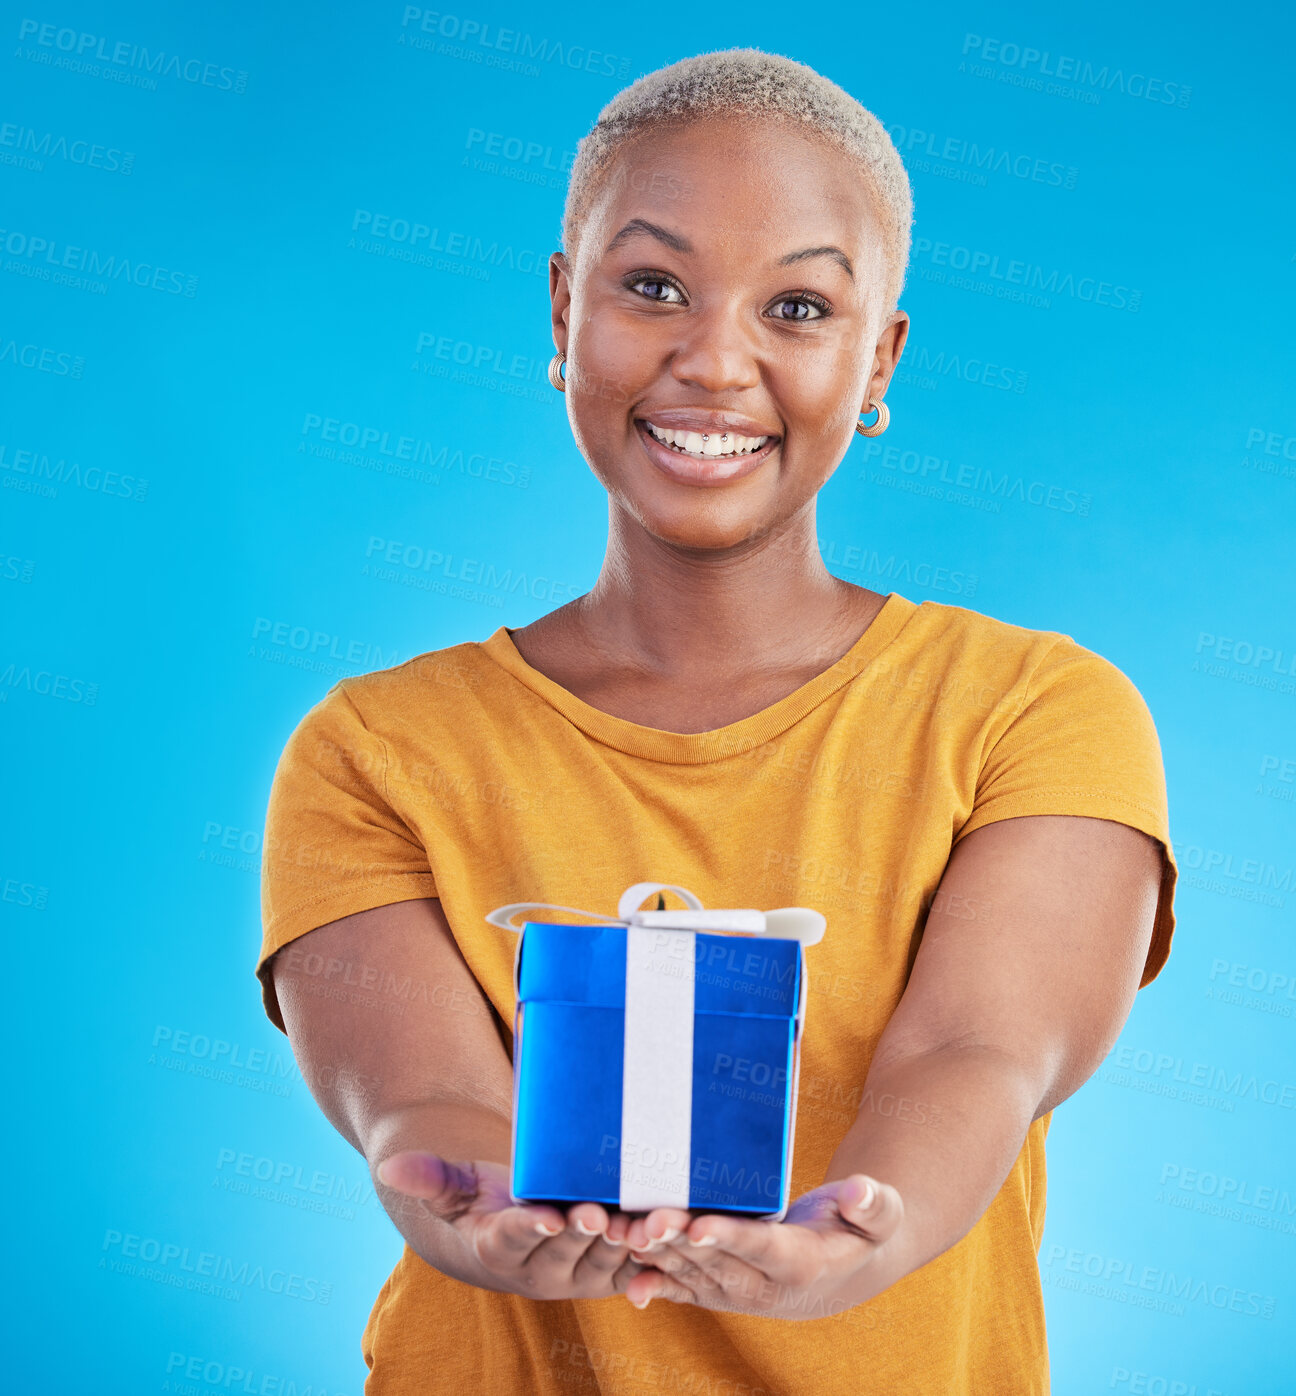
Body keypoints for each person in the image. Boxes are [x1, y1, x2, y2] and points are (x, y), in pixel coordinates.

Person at [257, 48, 1178, 1394]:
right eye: (652, 287)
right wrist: (488, 1210)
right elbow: (424, 1098)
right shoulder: (376, 750)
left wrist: (873, 1231)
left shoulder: (1032, 713)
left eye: (799, 305)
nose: (714, 360)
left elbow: (979, 1050)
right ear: (565, 310)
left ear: (880, 359)